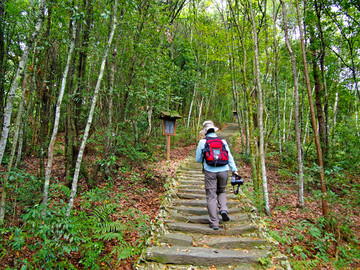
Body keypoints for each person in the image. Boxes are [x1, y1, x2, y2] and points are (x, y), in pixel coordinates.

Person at [196, 120, 239, 230]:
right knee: (221, 191)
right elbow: (229, 157)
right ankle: (223, 209)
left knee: (211, 196)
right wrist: (234, 170)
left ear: (205, 132)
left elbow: (198, 159)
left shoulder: (202, 142)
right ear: (214, 130)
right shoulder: (223, 141)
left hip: (210, 171)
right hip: (224, 171)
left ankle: (215, 223)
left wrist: (206, 158)